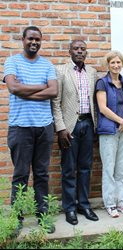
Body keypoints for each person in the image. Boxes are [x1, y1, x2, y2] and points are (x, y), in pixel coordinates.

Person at [3, 26, 58, 233]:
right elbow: (13, 88)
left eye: (38, 40)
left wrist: (26, 89)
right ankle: (16, 218)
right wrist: (41, 86)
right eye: (30, 39)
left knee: (42, 175)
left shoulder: (47, 64)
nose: (34, 42)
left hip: (44, 127)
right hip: (20, 128)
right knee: (20, 175)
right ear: (23, 39)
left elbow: (54, 91)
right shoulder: (12, 62)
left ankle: (42, 217)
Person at [52, 40, 99, 225]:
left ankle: (84, 205)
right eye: (76, 49)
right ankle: (70, 208)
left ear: (86, 52)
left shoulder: (92, 72)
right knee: (69, 169)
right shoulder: (61, 71)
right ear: (69, 51)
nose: (80, 51)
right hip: (70, 127)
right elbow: (55, 102)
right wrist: (61, 128)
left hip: (88, 124)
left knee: (86, 167)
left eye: (83, 49)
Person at [95, 51, 123, 218]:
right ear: (108, 64)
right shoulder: (102, 83)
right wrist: (121, 121)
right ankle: (110, 204)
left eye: (119, 62)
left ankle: (122, 202)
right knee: (109, 168)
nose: (116, 65)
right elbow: (103, 108)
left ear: (122, 64)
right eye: (113, 63)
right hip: (109, 131)